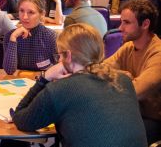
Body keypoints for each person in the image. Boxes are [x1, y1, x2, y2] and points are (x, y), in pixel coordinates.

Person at [12, 23, 147, 147]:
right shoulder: (124, 79)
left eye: (59, 55)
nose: (59, 60)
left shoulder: (60, 89)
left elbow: (21, 119)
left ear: (68, 56)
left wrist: (45, 77)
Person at [104, 0, 161, 145]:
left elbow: (136, 91)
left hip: (153, 120)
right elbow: (99, 70)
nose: (120, 28)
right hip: (132, 114)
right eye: (121, 21)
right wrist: (123, 75)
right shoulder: (129, 46)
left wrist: (120, 79)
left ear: (145, 24)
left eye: (127, 22)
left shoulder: (158, 53)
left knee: (108, 136)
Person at [3, 0, 57, 75]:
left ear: (42, 14)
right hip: (19, 82)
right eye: (21, 11)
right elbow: (9, 71)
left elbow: (59, 67)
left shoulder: (50, 36)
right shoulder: (10, 35)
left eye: (31, 12)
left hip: (44, 81)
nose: (24, 17)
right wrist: (13, 38)